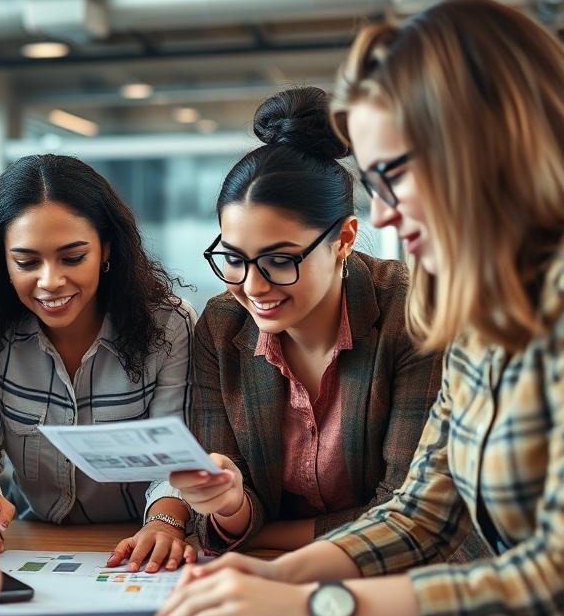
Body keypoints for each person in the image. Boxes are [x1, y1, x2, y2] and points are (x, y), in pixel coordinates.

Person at [148, 0, 564, 616]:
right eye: (375, 185)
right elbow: (423, 510)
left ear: (485, 144)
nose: (388, 217)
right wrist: (277, 580)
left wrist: (320, 610)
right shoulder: (477, 308)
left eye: (395, 176)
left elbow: (554, 581)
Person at [189, 86, 442, 555]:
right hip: (267, 570)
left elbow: (409, 513)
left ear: (344, 239)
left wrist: (264, 539)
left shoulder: (410, 317)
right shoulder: (222, 330)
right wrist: (229, 506)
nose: (253, 287)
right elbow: (231, 510)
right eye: (233, 258)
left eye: (280, 261)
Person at [0, 154, 198, 573]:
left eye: (73, 257)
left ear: (106, 249)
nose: (50, 281)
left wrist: (164, 523)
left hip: (141, 543)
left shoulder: (169, 324)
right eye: (26, 262)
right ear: (2, 261)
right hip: (35, 539)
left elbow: (181, 458)